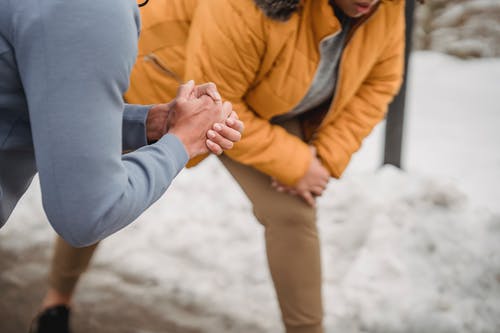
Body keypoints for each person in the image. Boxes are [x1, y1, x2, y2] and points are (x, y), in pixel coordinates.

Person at [33, 0, 406, 332]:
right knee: (102, 190)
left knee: (292, 213)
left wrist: (322, 159)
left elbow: (380, 83)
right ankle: (56, 302)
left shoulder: (386, 9)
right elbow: (219, 98)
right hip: (183, 88)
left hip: (268, 100)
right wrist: (293, 161)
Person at [0, 0, 245, 287]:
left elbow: (29, 105)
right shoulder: (91, 10)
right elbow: (88, 212)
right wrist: (180, 143)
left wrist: (148, 123)